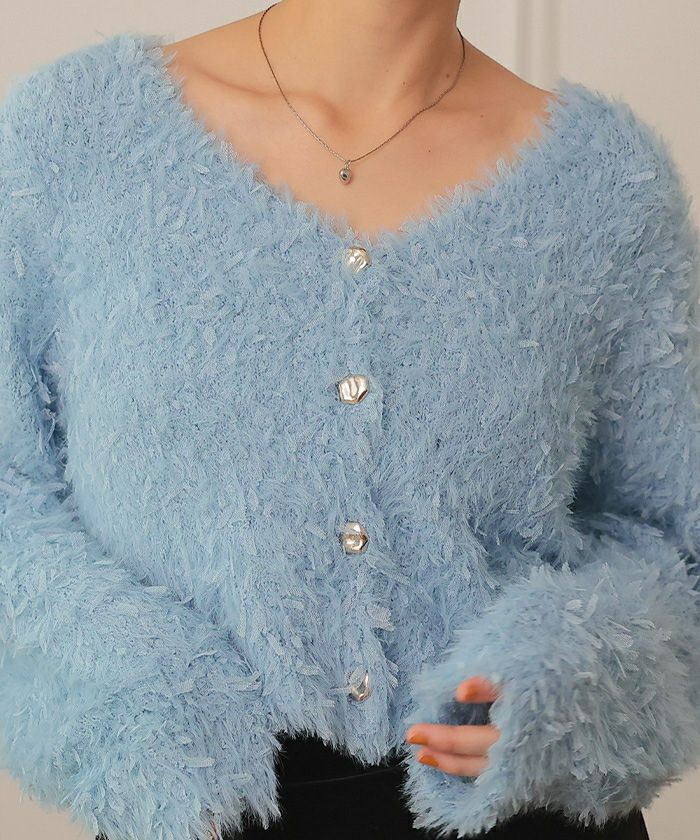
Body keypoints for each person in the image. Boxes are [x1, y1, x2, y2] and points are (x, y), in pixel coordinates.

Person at [1, 1, 698, 838]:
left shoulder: (607, 182)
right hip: (207, 812)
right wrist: (144, 704)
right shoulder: (76, 137)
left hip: (518, 805)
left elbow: (673, 540)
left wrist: (571, 682)